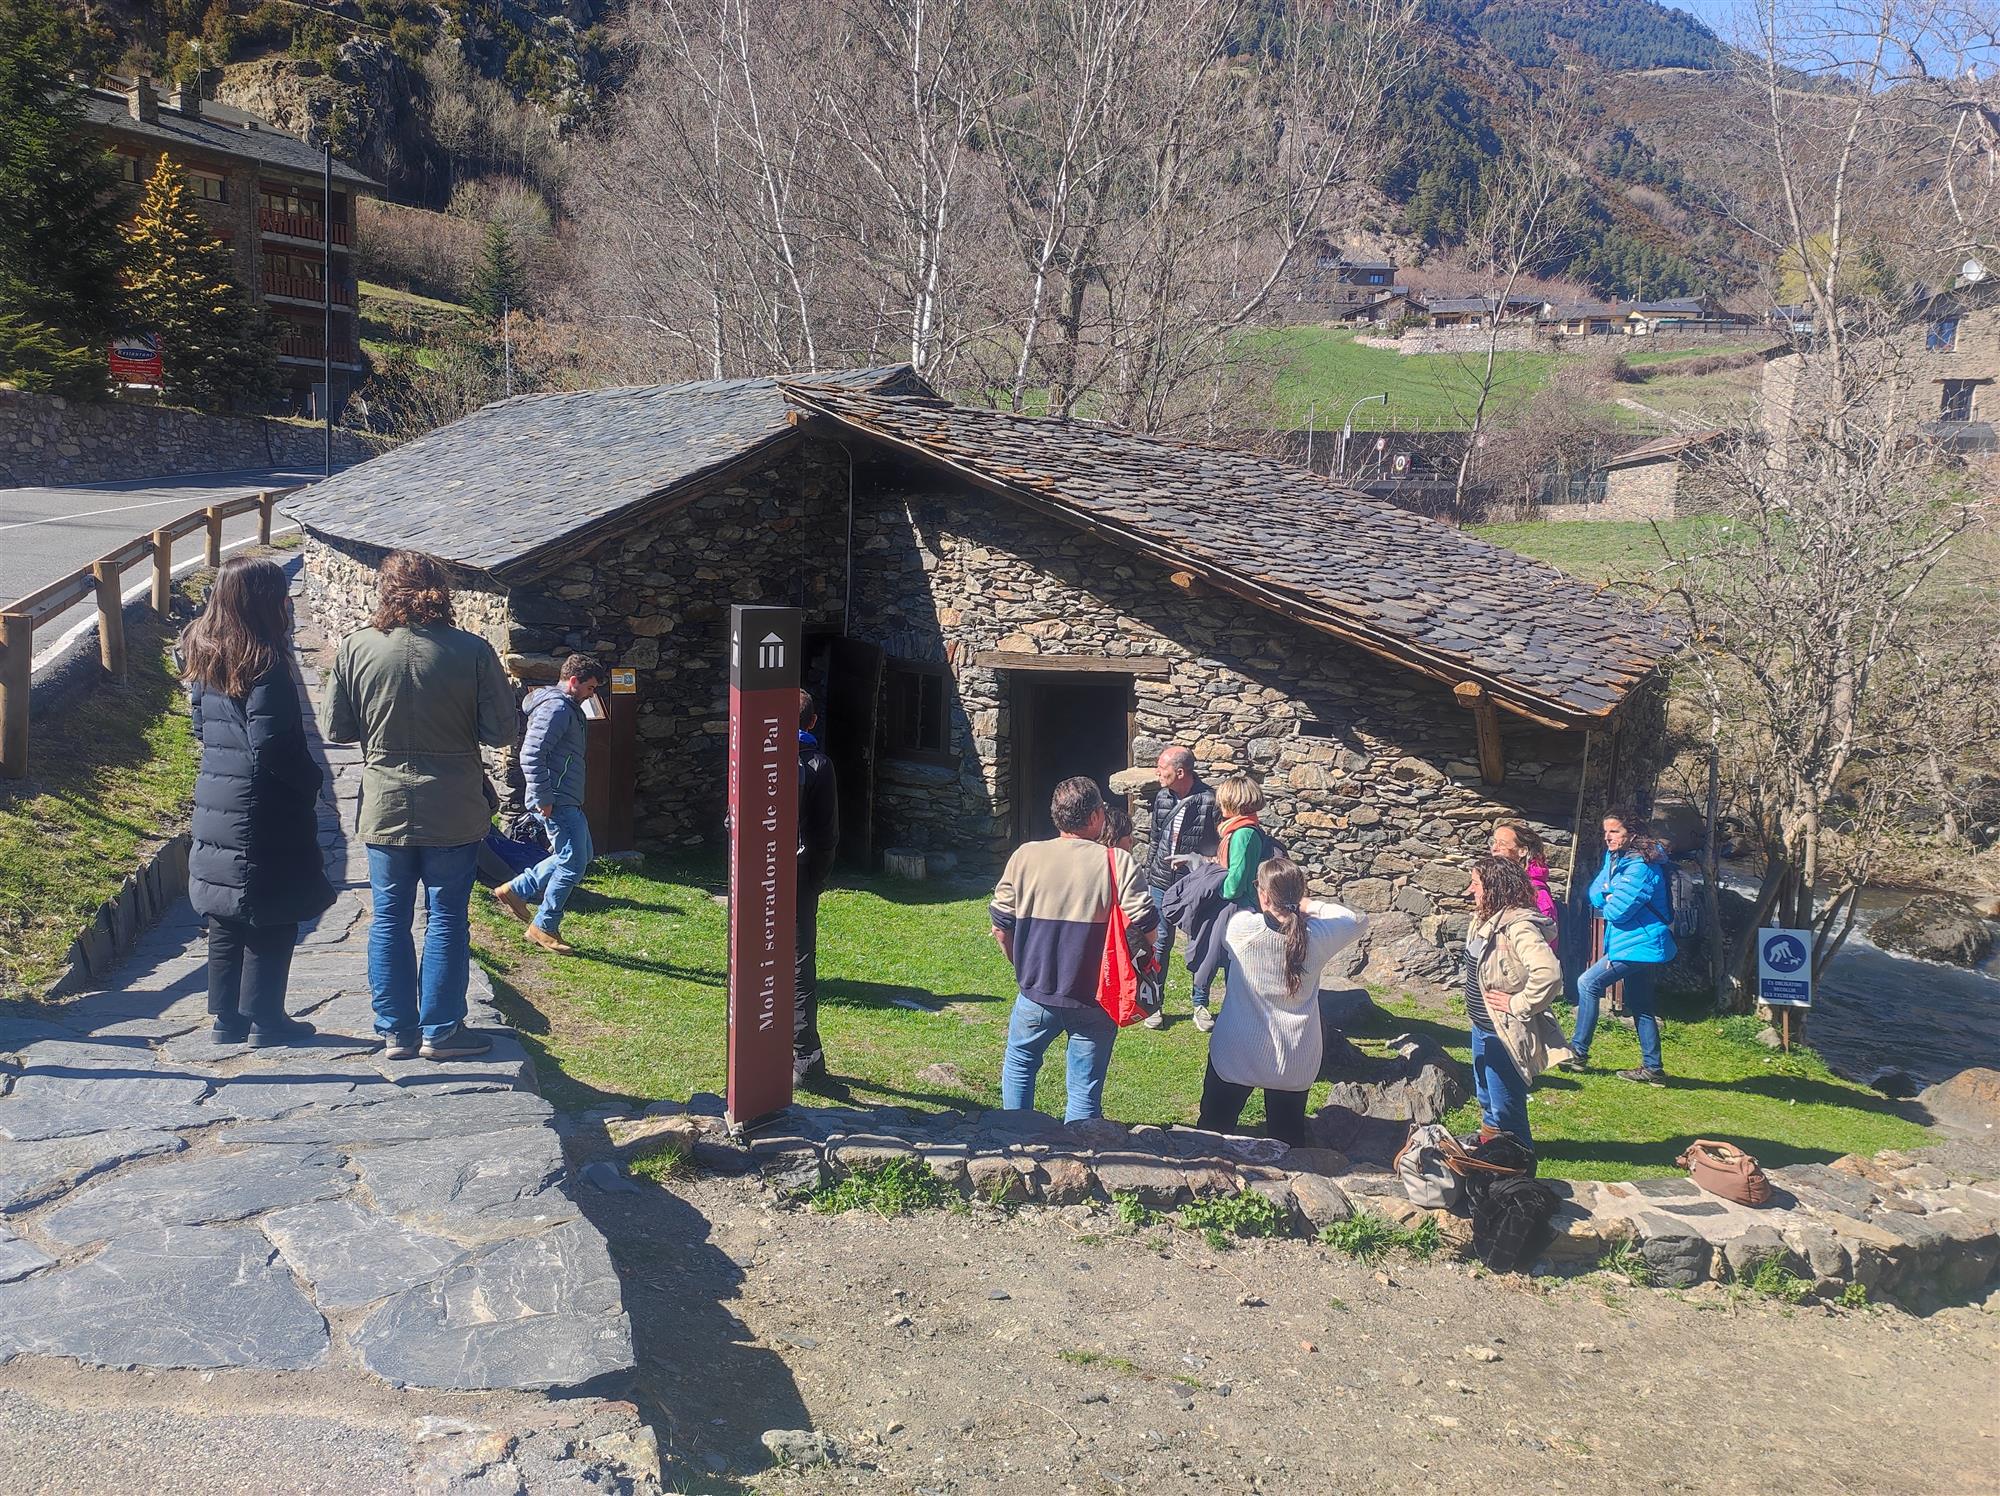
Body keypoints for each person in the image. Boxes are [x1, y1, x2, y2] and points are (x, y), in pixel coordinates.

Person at [326, 550, 513, 1062]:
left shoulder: (355, 648)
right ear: (442, 592)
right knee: (447, 917)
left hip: (385, 800)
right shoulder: (472, 651)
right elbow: (500, 730)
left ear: (385, 591)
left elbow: (336, 729)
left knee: (388, 916)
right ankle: (442, 1031)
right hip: (453, 801)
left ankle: (395, 1031)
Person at [182, 556, 336, 1045]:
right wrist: (310, 780)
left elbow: (202, 727)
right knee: (274, 911)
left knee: (226, 914)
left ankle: (227, 1020)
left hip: (216, 796)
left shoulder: (203, 651)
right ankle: (266, 1020)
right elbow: (271, 744)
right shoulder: (265, 662)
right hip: (263, 808)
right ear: (263, 601)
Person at [990, 776, 1156, 1121]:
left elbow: (1000, 926)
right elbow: (1147, 928)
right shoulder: (1116, 861)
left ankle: (1015, 1144)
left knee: (1020, 1066)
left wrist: (1021, 966)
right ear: (1097, 816)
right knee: (1084, 1091)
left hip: (1035, 992)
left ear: (1056, 815)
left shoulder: (1026, 856)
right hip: (1096, 997)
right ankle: (1081, 1159)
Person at [1199, 858, 1366, 1146]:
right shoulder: (1319, 936)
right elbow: (1356, 919)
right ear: (1299, 894)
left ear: (1263, 895)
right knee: (1288, 1142)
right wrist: (1309, 906)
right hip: (1295, 1057)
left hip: (1236, 1052)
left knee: (1211, 1130)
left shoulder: (1242, 929)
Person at [491, 653, 608, 954]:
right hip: (555, 800)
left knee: (580, 856)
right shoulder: (556, 708)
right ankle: (544, 925)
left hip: (565, 797)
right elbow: (531, 755)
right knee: (572, 862)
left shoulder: (565, 707)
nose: (591, 694)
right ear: (573, 681)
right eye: (590, 688)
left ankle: (516, 889)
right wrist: (543, 798)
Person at [1462, 855, 1570, 1145]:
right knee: (1487, 1098)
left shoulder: (1518, 926)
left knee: (1506, 1108)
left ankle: (1520, 1174)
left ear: (1495, 888)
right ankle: (1491, 1153)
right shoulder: (1485, 920)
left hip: (1504, 1029)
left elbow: (1548, 974)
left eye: (1475, 884)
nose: (1470, 891)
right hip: (1482, 1026)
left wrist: (1517, 1004)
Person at [1565, 807, 1676, 1085]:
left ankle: (1578, 1052)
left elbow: (1616, 912)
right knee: (1641, 1005)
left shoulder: (1642, 866)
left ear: (1632, 833)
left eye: (1614, 831)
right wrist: (1608, 894)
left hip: (1640, 943)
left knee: (1587, 983)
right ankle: (1654, 1069)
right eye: (1606, 831)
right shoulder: (1616, 858)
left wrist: (1608, 896)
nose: (1608, 837)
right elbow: (1595, 892)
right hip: (1633, 943)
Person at [1143, 747, 1219, 1031]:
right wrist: (1149, 875)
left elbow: (1220, 845)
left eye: (1161, 766)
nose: (1157, 771)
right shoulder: (1162, 797)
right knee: (1160, 942)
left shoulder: (1209, 801)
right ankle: (1155, 1004)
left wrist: (1202, 867)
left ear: (1180, 772)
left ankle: (1200, 1005)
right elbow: (1154, 839)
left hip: (1195, 886)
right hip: (1162, 883)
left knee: (1199, 942)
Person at [794, 689, 841, 1085]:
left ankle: (753, 1053)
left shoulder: (755, 756)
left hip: (756, 876)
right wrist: (817, 879)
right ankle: (805, 1061)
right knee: (797, 967)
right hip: (799, 876)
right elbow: (826, 836)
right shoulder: (817, 764)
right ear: (812, 722)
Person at [1490, 822, 1559, 927]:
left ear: (1522, 851)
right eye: (1493, 842)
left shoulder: (1536, 893)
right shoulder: (1498, 883)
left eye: (1502, 844)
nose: (1494, 848)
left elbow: (1546, 937)